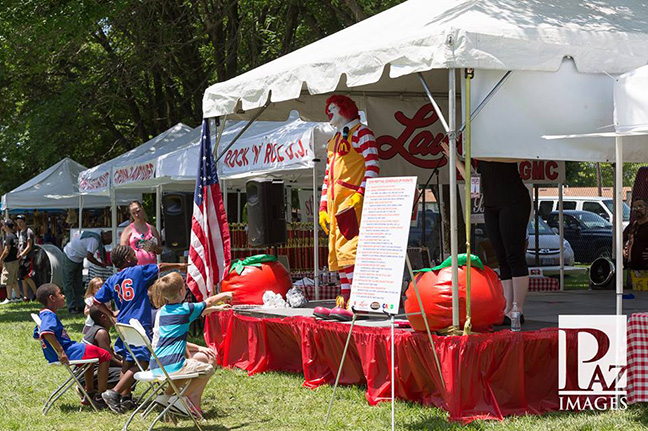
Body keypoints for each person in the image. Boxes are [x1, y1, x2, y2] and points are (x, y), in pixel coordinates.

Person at [441, 142, 531, 324]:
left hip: (513, 201)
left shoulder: (504, 146)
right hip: (491, 204)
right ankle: (507, 308)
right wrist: (456, 160)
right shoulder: (478, 153)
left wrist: (477, 152)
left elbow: (523, 156)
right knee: (501, 257)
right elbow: (472, 179)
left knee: (514, 255)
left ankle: (517, 309)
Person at [94, 245, 188, 413]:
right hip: (138, 324)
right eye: (133, 253)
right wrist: (179, 266)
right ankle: (114, 392)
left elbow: (96, 301)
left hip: (122, 324)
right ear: (128, 259)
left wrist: (110, 314)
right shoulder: (137, 271)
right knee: (143, 361)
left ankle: (126, 398)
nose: (136, 254)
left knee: (128, 361)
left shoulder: (112, 279)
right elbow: (160, 267)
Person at [318, 95, 380, 302]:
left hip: (352, 203)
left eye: (333, 108)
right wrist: (323, 207)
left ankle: (357, 300)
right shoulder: (333, 141)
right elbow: (328, 177)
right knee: (338, 253)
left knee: (351, 251)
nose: (329, 112)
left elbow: (372, 166)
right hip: (337, 205)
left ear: (345, 109)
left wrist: (361, 194)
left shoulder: (363, 134)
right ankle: (346, 298)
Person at [150, 272, 232, 417]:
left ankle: (165, 396)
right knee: (207, 369)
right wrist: (226, 294)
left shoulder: (162, 312)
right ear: (182, 291)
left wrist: (215, 309)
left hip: (156, 365)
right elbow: (210, 300)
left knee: (188, 367)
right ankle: (179, 399)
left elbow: (188, 315)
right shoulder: (186, 309)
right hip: (173, 365)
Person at [33, 283, 111, 407]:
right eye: (60, 293)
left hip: (67, 350)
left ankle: (89, 393)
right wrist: (60, 352)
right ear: (52, 298)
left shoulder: (44, 314)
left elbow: (37, 335)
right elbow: (46, 333)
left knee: (88, 361)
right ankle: (101, 395)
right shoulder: (49, 315)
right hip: (68, 352)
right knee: (106, 355)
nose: (63, 296)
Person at [62, 230, 112, 314]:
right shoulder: (95, 241)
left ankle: (80, 305)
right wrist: (101, 264)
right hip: (70, 255)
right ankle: (71, 307)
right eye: (109, 241)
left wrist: (105, 262)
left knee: (78, 282)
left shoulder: (97, 235)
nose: (109, 243)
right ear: (106, 236)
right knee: (68, 283)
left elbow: (102, 249)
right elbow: (89, 257)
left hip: (78, 258)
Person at [120, 201, 162, 265]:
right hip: (135, 268)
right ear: (131, 214)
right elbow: (122, 252)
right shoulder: (127, 230)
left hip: (151, 267)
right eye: (133, 213)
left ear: (142, 209)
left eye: (138, 211)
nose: (136, 215)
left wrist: (154, 248)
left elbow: (160, 250)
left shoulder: (152, 228)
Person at [16, 214, 38, 301]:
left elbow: (29, 246)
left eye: (21, 222)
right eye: (18, 223)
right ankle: (26, 297)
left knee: (27, 277)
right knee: (22, 278)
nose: (19, 224)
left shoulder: (29, 232)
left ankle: (36, 294)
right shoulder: (20, 232)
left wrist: (21, 255)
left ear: (25, 222)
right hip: (21, 258)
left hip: (28, 257)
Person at [0, 219, 21, 304]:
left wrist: (1, 259)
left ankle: (8, 298)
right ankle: (18, 297)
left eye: (4, 225)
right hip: (15, 261)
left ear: (7, 227)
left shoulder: (8, 237)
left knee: (8, 280)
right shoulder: (15, 236)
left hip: (9, 261)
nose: (2, 227)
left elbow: (6, 250)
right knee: (14, 280)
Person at [624, 197, 648, 270]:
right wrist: (623, 250)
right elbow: (620, 239)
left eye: (640, 206)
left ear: (647, 209)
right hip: (632, 267)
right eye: (634, 207)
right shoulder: (632, 226)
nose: (637, 209)